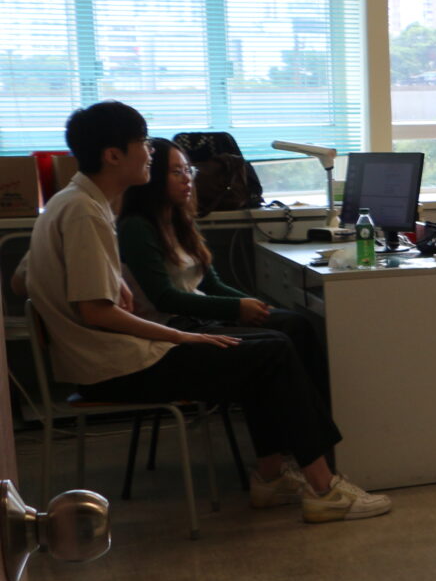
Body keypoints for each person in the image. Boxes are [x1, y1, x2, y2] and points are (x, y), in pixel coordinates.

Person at [23, 102, 388, 524]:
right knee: (272, 352)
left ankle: (274, 478)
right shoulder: (87, 211)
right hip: (117, 365)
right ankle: (323, 489)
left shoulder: (73, 202)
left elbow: (22, 279)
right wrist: (184, 336)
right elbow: (96, 313)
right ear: (113, 155)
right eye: (143, 143)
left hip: (111, 357)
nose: (150, 152)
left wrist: (110, 277)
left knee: (274, 343)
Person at [119, 138, 331, 406]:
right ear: (152, 177)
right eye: (176, 172)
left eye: (188, 170)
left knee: (295, 324)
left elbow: (212, 285)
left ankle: (324, 410)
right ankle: (305, 423)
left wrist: (254, 305)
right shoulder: (136, 227)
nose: (187, 179)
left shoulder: (181, 221)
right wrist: (236, 308)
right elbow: (165, 298)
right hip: (173, 327)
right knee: (278, 343)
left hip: (198, 318)